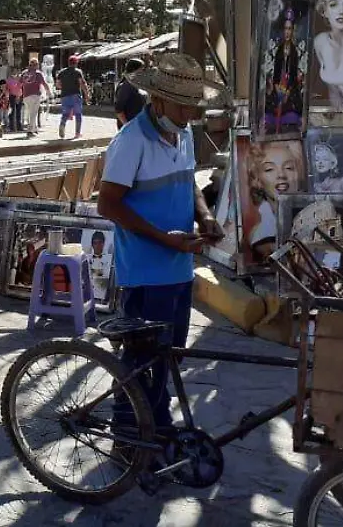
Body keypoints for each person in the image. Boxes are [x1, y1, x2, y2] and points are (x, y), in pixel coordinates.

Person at [97, 52, 223, 432]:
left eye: (193, 106)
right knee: (140, 362)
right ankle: (129, 440)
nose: (190, 114)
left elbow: (189, 184)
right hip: (145, 272)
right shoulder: (131, 140)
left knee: (168, 357)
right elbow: (108, 204)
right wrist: (161, 239)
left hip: (179, 268)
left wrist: (206, 216)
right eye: (183, 106)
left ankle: (156, 425)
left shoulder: (183, 134)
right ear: (159, 100)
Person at [265, 7, 305, 134]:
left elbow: (293, 75)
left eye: (290, 29)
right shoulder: (279, 50)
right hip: (278, 86)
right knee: (270, 108)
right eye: (285, 29)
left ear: (293, 31)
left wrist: (287, 92)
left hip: (290, 88)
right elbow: (276, 72)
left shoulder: (294, 51)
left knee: (292, 110)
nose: (287, 32)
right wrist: (276, 87)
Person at [56, 55, 90, 139]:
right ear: (76, 63)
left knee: (65, 114)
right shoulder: (78, 72)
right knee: (78, 114)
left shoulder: (61, 72)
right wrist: (87, 94)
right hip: (75, 95)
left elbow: (58, 85)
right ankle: (77, 133)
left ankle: (62, 125)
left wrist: (64, 87)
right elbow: (82, 83)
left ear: (68, 62)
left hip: (64, 95)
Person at [19, 59, 51, 136]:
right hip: (35, 95)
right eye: (37, 64)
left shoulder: (24, 73)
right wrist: (49, 92)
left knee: (31, 113)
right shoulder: (38, 73)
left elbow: (19, 83)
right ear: (36, 65)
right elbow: (44, 83)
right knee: (33, 113)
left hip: (26, 96)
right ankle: (30, 131)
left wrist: (19, 93)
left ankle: (35, 129)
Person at [113, 58, 147, 129]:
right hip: (131, 127)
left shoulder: (137, 84)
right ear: (134, 70)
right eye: (142, 69)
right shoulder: (126, 86)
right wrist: (127, 126)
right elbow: (119, 109)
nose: (143, 72)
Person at [6, 67, 24, 132]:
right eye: (13, 71)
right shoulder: (9, 80)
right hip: (12, 96)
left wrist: (19, 96)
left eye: (16, 71)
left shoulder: (19, 79)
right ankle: (11, 127)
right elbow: (8, 89)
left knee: (19, 112)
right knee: (12, 112)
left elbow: (21, 87)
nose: (15, 72)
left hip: (19, 96)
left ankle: (19, 126)